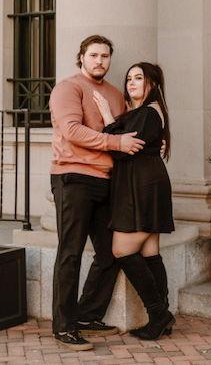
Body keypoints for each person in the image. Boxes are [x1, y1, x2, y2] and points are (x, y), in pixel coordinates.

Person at [49, 35, 146, 351]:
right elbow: (72, 131)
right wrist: (116, 143)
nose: (100, 61)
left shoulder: (116, 95)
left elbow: (125, 132)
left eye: (105, 56)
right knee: (71, 253)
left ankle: (87, 314)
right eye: (93, 55)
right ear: (82, 57)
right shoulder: (68, 88)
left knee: (110, 252)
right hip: (73, 177)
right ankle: (63, 327)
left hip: (107, 181)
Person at [92, 62, 175, 340]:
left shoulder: (149, 113)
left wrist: (107, 116)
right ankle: (162, 316)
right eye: (129, 78)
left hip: (143, 187)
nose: (131, 82)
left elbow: (121, 150)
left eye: (139, 78)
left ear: (153, 83)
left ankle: (158, 315)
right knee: (150, 253)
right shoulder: (144, 113)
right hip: (144, 184)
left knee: (122, 250)